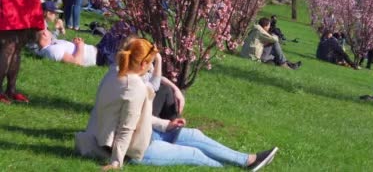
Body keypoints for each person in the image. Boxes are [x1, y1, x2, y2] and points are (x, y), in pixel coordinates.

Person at [75, 38, 279, 170]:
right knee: (194, 153)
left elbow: (137, 116)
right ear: (144, 64)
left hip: (139, 134)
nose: (152, 67)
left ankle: (248, 160)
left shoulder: (115, 71)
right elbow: (126, 129)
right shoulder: (133, 86)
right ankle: (229, 168)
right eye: (152, 63)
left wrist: (166, 125)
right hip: (133, 150)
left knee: (193, 135)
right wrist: (116, 162)